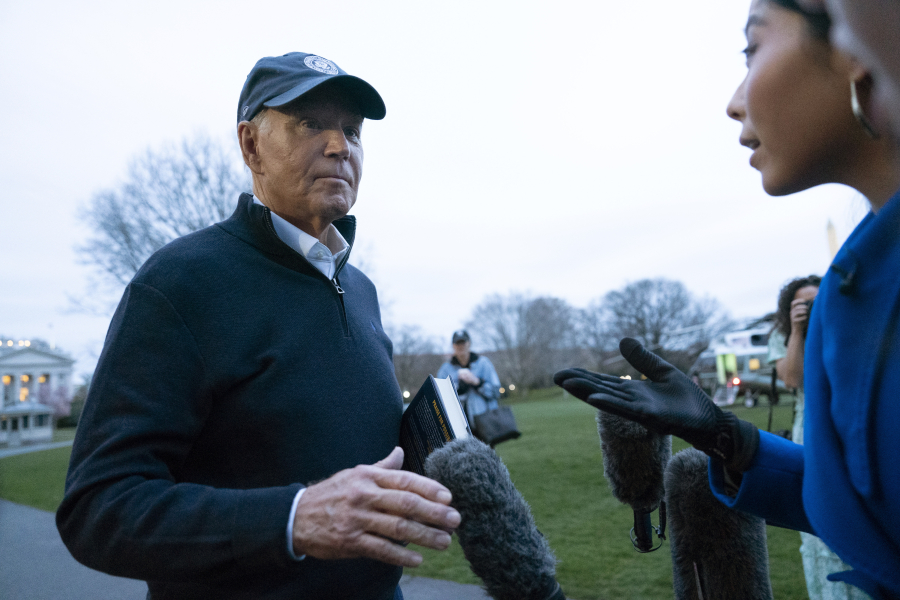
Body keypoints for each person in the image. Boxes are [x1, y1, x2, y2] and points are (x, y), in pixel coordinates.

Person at [56, 52, 460, 600]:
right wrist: (293, 519)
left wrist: (439, 457)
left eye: (352, 130)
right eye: (310, 123)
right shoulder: (180, 282)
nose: (340, 146)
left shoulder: (361, 289)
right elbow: (98, 508)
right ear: (251, 146)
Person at [555, 1, 900, 597]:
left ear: (855, 36)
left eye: (752, 50)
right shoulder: (853, 283)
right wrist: (727, 439)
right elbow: (869, 504)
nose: (734, 102)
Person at [768, 276, 865, 600]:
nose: (812, 307)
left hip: (852, 426)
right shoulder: (783, 336)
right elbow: (792, 378)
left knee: (859, 511)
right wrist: (797, 330)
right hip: (812, 431)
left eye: (818, 300)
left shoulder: (848, 323)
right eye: (805, 304)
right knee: (820, 516)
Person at [436, 330, 501, 424]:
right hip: (458, 423)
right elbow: (440, 399)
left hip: (486, 421)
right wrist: (458, 388)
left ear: (469, 343)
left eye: (463, 342)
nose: (460, 346)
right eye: (457, 343)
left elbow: (496, 392)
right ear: (453, 345)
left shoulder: (484, 363)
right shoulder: (445, 370)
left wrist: (477, 382)